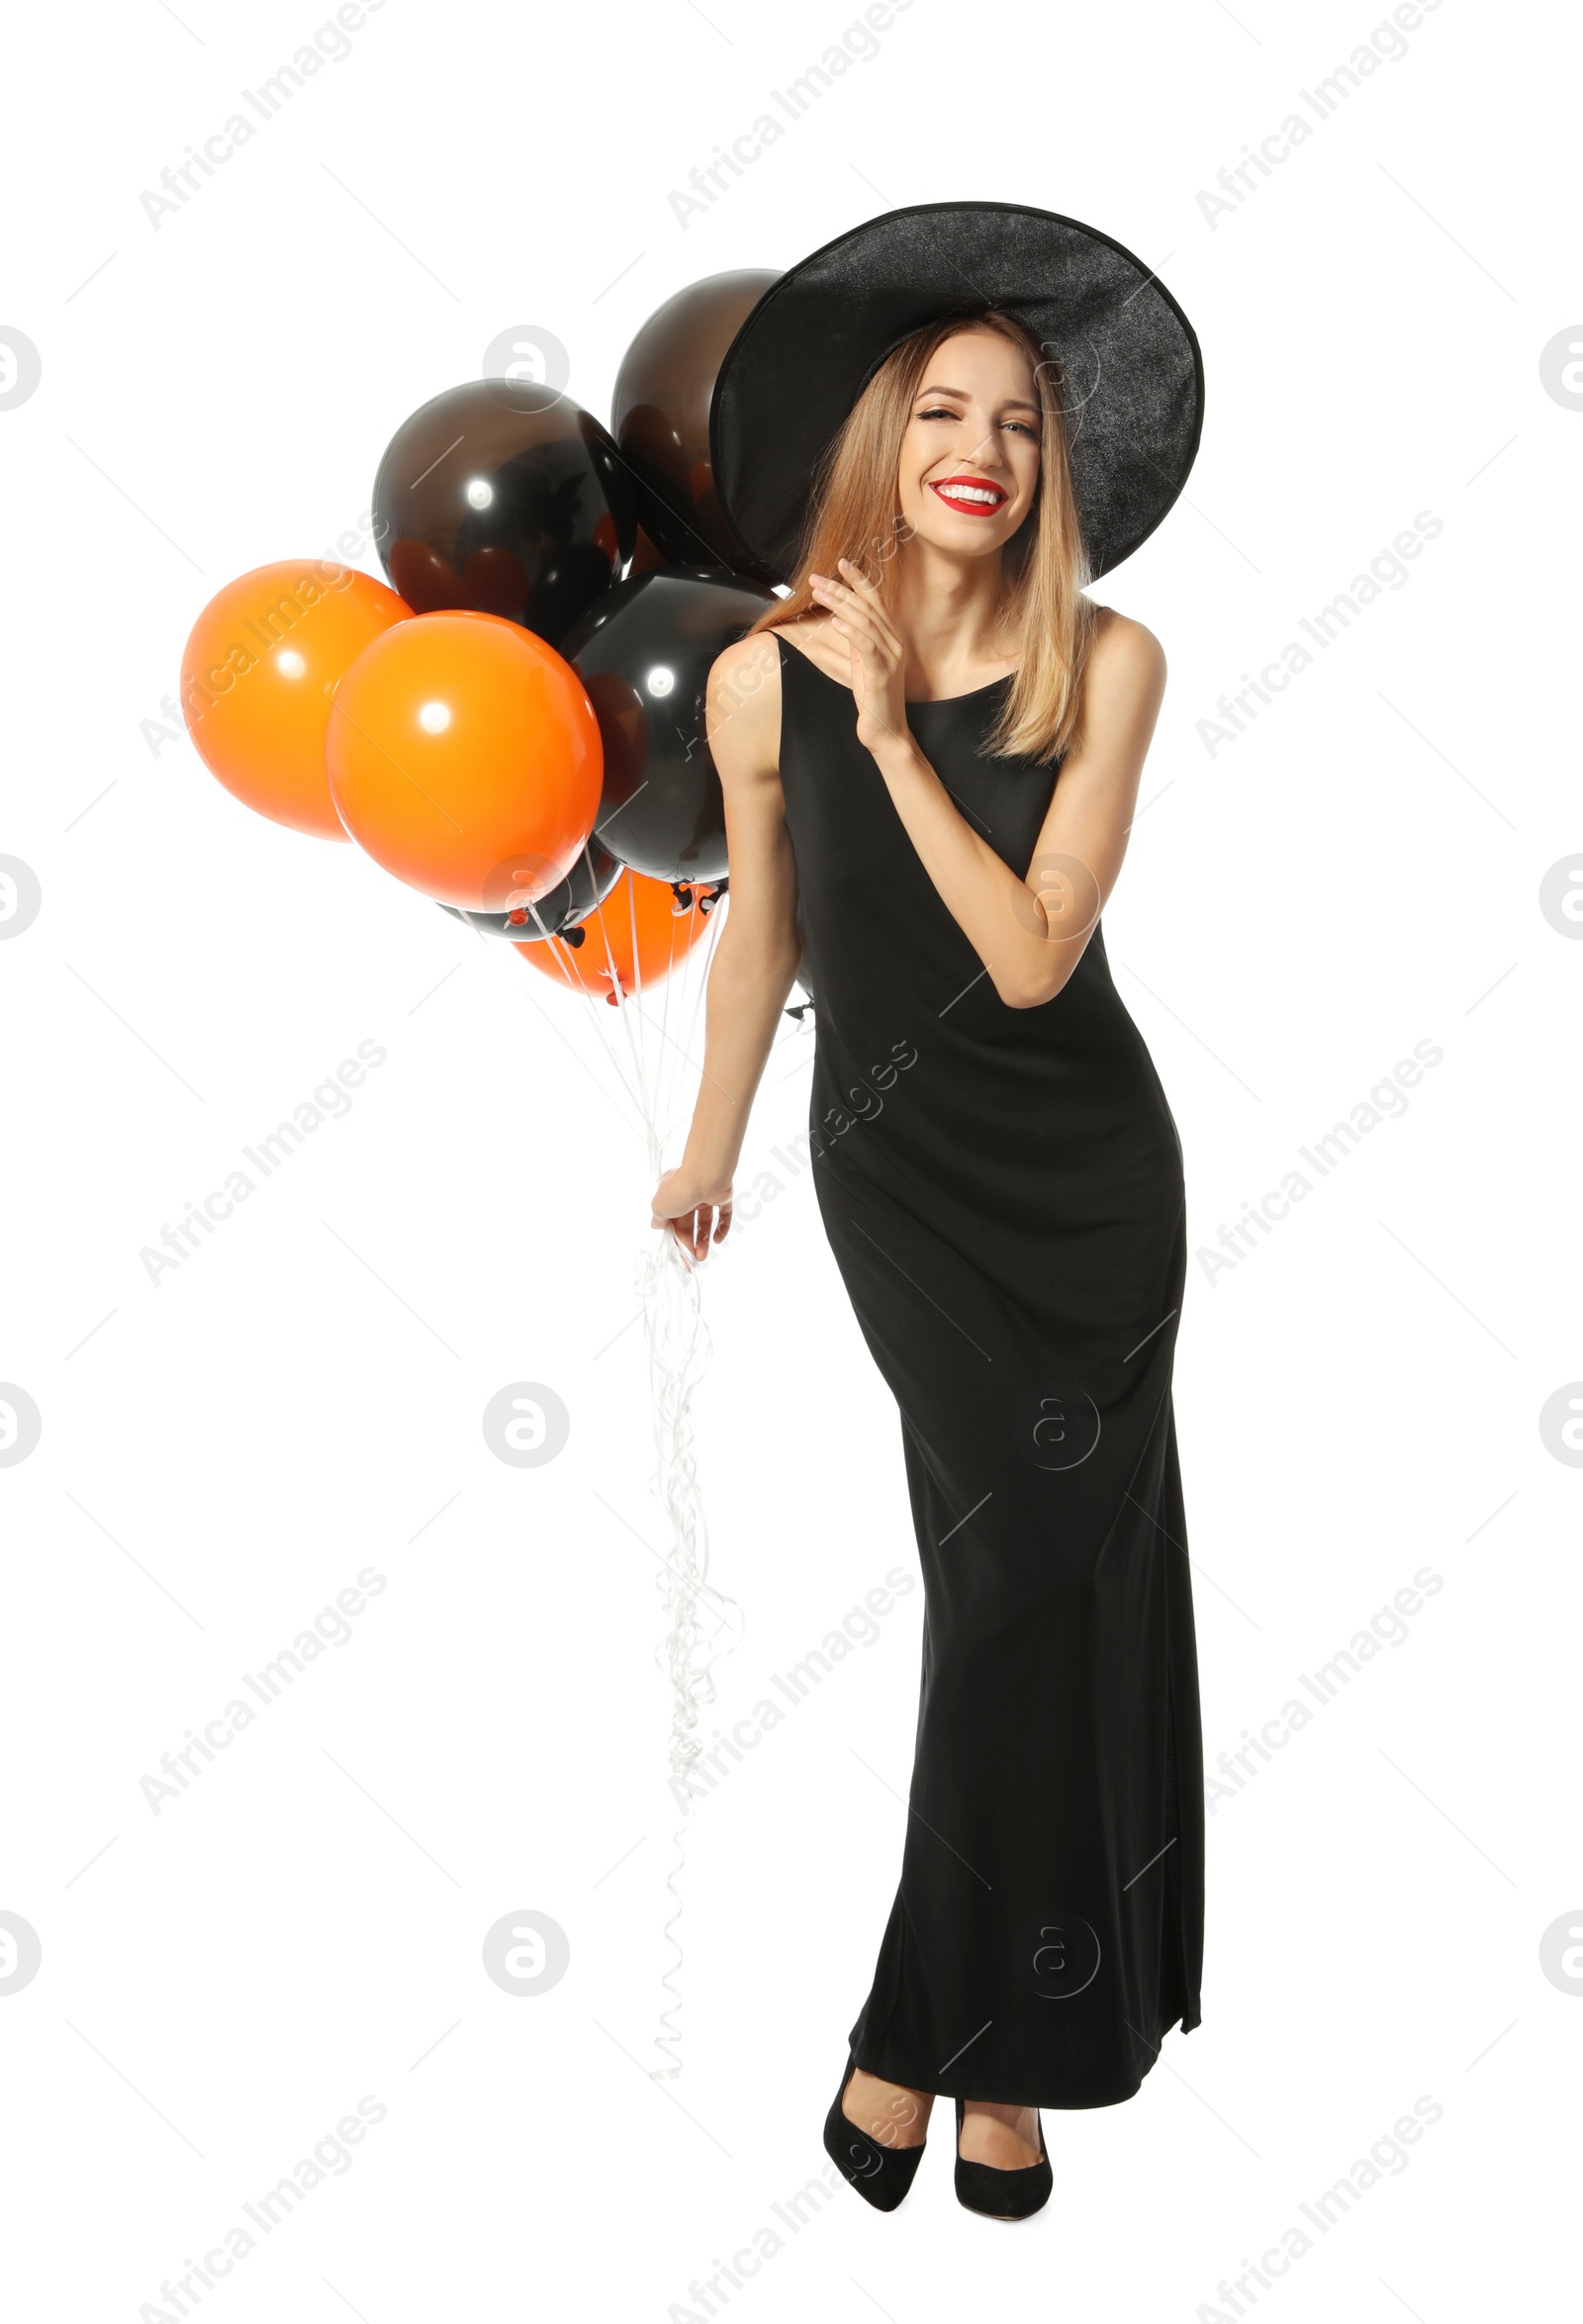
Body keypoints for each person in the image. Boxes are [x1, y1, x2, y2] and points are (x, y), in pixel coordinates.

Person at [650, 204, 1206, 2221]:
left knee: (1036, 1589)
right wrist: (705, 1146)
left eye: (1021, 421)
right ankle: (996, 2047)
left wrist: (894, 738)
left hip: (1086, 1184)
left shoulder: (1107, 662)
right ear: (884, 445)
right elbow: (753, 947)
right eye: (941, 409)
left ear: (1053, 471)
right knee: (1011, 1582)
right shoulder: (752, 687)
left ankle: (940, 2044)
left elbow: (1037, 955)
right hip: (900, 1177)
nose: (981, 443)